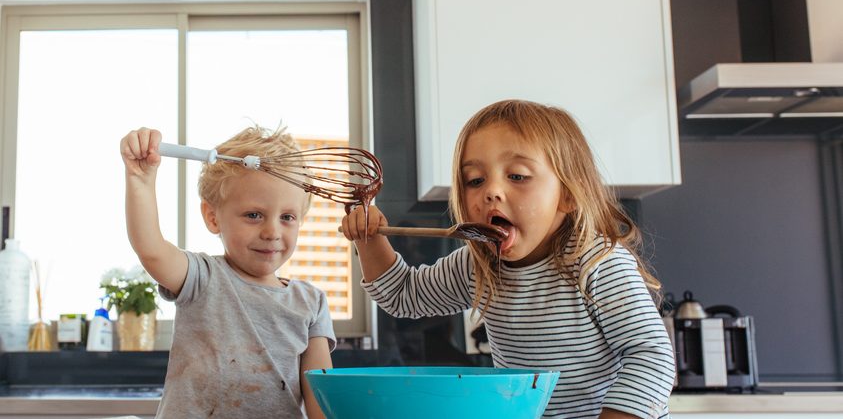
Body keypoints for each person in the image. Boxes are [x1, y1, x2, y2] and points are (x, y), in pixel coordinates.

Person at [341, 99, 675, 419]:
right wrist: (369, 240)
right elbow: (404, 297)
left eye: (516, 176)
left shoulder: (597, 262)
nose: (491, 191)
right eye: (475, 180)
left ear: (568, 195)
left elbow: (651, 357)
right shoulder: (476, 266)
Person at [121, 125, 335, 419]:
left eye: (287, 217)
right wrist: (140, 179)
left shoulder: (311, 303)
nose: (272, 231)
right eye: (253, 215)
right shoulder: (203, 277)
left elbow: (322, 400)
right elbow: (151, 250)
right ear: (212, 217)